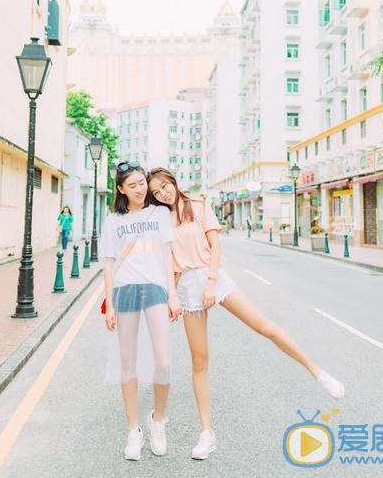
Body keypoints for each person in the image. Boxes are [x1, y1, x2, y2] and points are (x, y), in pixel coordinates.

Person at [147, 167, 345, 461]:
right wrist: (172, 296)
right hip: (187, 286)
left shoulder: (198, 208)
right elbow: (169, 262)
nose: (163, 192)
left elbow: (215, 246)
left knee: (263, 326)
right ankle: (206, 433)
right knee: (199, 360)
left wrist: (212, 282)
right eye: (157, 192)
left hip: (213, 279)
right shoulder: (161, 221)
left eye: (165, 185)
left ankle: (318, 372)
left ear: (173, 182)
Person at [100, 162, 180, 462]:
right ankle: (133, 429)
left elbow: (167, 253)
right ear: (121, 189)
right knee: (127, 360)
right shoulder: (113, 221)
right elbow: (108, 263)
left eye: (141, 183)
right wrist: (108, 303)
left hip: (156, 287)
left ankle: (157, 419)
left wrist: (173, 293)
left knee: (163, 360)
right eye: (131, 185)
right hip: (125, 288)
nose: (139, 188)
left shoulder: (159, 213)